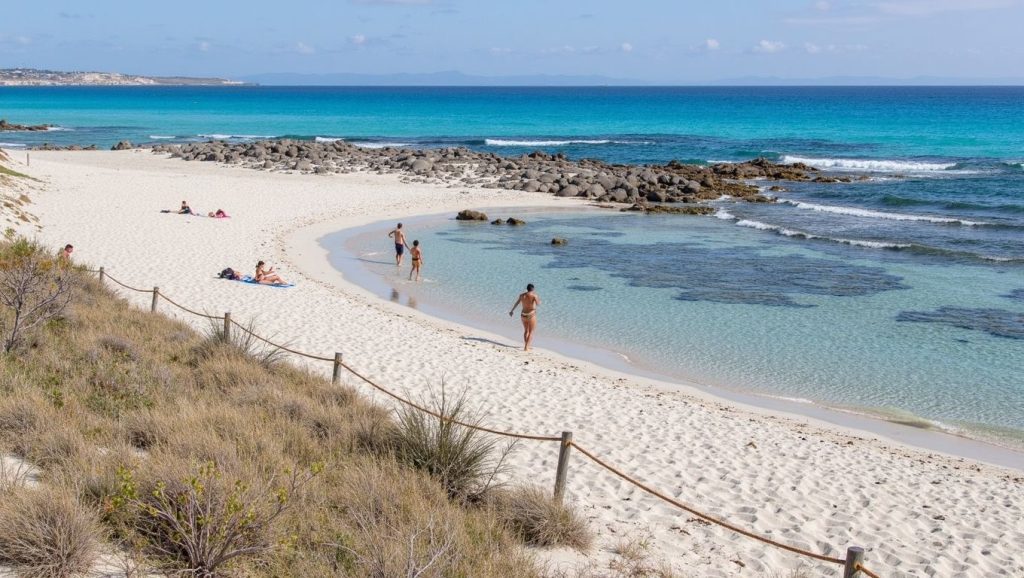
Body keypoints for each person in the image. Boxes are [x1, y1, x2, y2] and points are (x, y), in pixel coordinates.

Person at [509, 283, 541, 351]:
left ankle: (527, 345)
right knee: (531, 332)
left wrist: (512, 311)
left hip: (523, 314)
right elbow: (538, 304)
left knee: (526, 331)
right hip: (531, 314)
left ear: (527, 289)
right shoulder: (534, 295)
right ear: (533, 289)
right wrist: (538, 300)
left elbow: (516, 303)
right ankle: (526, 347)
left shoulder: (521, 295)